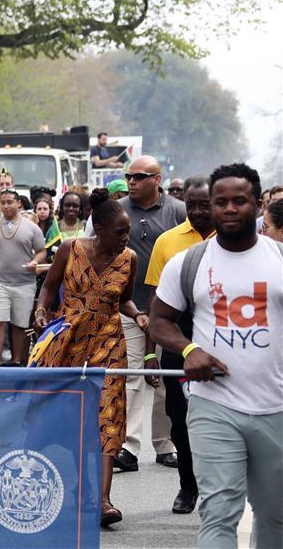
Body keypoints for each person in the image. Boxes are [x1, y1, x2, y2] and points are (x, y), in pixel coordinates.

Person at [150, 163, 282, 549]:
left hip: (274, 407)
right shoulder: (188, 263)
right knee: (218, 511)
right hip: (214, 407)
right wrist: (189, 350)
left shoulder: (278, 258)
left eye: (238, 201)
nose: (228, 209)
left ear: (257, 206)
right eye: (219, 201)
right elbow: (159, 320)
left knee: (274, 514)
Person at [34, 187, 148, 526]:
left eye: (127, 232)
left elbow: (123, 300)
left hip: (110, 345)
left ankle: (102, 501)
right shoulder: (70, 249)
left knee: (108, 418)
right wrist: (42, 310)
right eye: (121, 232)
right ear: (98, 228)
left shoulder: (130, 260)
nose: (126, 238)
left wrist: (138, 315)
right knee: (72, 419)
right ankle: (77, 487)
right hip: (68, 344)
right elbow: (48, 287)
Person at [141, 175, 213, 515]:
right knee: (180, 420)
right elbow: (154, 304)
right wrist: (149, 354)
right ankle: (188, 487)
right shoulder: (167, 243)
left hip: (222, 341)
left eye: (205, 204)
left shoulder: (234, 240)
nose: (199, 211)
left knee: (220, 419)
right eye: (193, 204)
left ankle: (218, 487)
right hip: (177, 341)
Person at [113, 156, 185, 473]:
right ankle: (128, 447)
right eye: (129, 176)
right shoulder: (117, 210)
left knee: (164, 378)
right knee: (132, 373)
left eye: (139, 176)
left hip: (169, 310)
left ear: (156, 179)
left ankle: (165, 444)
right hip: (128, 306)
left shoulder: (177, 211)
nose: (132, 182)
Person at [0, 189, 47, 365]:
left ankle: (16, 360)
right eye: (3, 202)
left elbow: (42, 252)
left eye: (10, 202)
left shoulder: (31, 227)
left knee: (20, 324)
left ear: (19, 204)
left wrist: (35, 261)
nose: (6, 206)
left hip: (24, 283)